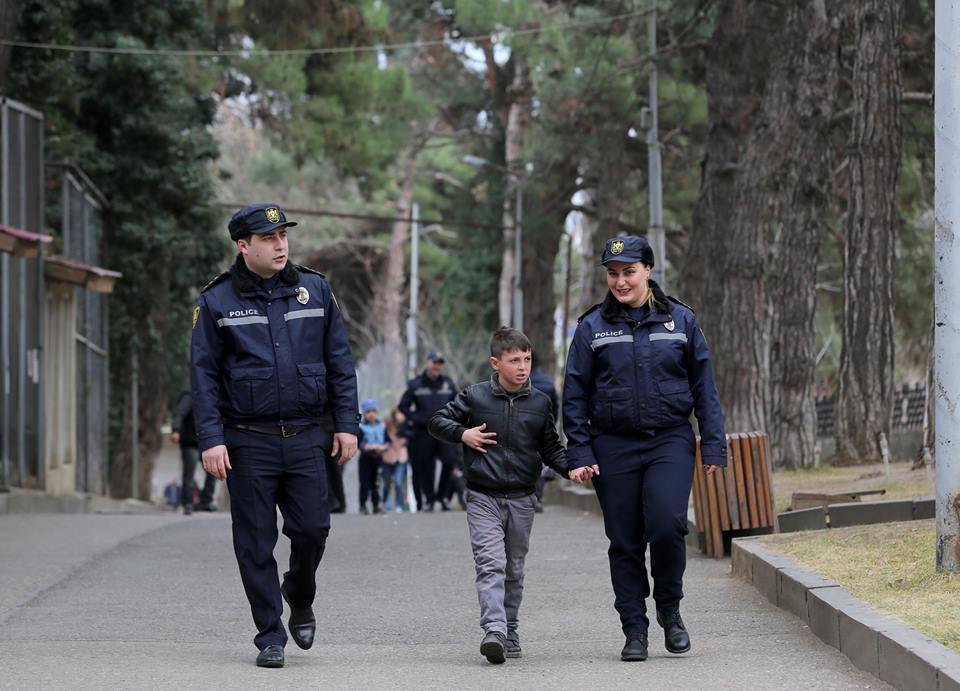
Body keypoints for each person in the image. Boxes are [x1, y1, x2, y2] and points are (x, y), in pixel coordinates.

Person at [190, 202, 359, 669]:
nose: (280, 244)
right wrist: (210, 439)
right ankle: (270, 634)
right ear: (244, 246)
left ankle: (299, 593)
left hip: (306, 436)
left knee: (313, 528)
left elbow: (340, 365)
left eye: (283, 235)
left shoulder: (316, 290)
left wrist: (347, 424)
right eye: (269, 238)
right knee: (254, 541)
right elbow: (202, 376)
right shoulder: (216, 301)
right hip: (246, 441)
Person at [563, 235, 726, 662]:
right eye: (613, 274)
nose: (620, 282)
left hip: (669, 439)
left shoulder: (681, 321)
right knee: (625, 540)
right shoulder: (592, 327)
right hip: (612, 445)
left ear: (648, 271)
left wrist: (712, 445)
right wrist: (579, 453)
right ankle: (634, 629)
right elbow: (574, 394)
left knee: (668, 525)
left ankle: (670, 612)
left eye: (629, 272)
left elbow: (703, 386)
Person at [429, 327, 569, 664]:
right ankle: (494, 629)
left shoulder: (540, 402)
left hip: (522, 498)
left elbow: (551, 447)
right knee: (491, 563)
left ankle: (511, 626)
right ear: (495, 363)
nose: (522, 366)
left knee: (514, 568)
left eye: (527, 359)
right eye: (514, 360)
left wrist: (573, 468)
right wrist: (463, 433)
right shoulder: (475, 397)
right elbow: (436, 421)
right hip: (483, 496)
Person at [398, 351, 458, 511]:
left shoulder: (448, 384)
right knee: (426, 466)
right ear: (427, 363)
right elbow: (403, 406)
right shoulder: (415, 384)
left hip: (444, 430)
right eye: (434, 362)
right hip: (423, 432)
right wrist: (416, 418)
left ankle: (442, 496)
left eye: (440, 363)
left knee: (449, 460)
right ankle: (430, 500)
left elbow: (458, 404)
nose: (437, 366)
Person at [171, 390, 217, 515]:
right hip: (190, 442)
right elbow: (180, 413)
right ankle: (188, 503)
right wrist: (176, 430)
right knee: (189, 474)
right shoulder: (190, 395)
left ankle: (206, 501)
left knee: (213, 470)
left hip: (205, 442)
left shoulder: (210, 394)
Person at [529, 353, 558, 513]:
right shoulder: (547, 381)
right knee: (540, 463)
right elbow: (555, 405)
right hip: (544, 427)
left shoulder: (518, 381)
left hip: (523, 427)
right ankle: (537, 498)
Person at [358, 399, 388, 515]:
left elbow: (387, 441)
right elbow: (359, 443)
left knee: (376, 483)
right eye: (368, 411)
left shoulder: (382, 426)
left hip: (378, 458)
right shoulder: (361, 427)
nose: (371, 414)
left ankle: (376, 505)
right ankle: (363, 504)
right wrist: (368, 447)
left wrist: (383, 447)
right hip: (366, 458)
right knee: (364, 483)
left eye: (373, 411)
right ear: (364, 414)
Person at [381, 408, 411, 512]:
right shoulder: (386, 424)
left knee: (398, 482)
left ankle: (399, 505)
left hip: (401, 457)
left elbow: (410, 438)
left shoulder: (407, 425)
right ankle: (385, 503)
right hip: (388, 457)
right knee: (386, 484)